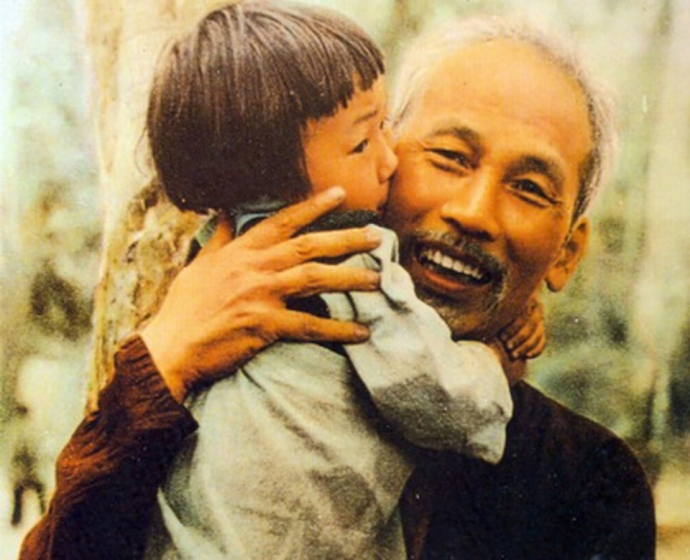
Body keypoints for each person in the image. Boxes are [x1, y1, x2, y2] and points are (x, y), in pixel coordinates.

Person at [20, 10, 655, 560]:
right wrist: (164, 361)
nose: (473, 212)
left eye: (529, 188)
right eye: (449, 157)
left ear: (566, 254)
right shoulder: (194, 363)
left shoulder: (586, 479)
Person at [141, 3, 536, 558]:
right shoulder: (343, 258)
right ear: (274, 177)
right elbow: (436, 397)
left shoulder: (217, 250)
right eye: (361, 144)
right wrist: (492, 361)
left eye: (385, 127)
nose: (389, 159)